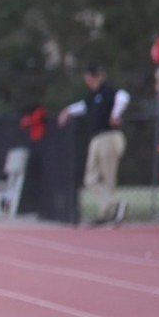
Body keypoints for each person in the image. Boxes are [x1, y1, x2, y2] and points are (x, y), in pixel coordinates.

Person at [58, 64, 130, 225]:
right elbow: (83, 106)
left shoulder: (107, 90)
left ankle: (108, 212)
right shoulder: (93, 95)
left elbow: (124, 96)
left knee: (108, 176)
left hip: (110, 136)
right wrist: (67, 111)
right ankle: (113, 205)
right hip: (97, 137)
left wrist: (115, 114)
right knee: (90, 178)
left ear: (95, 76)